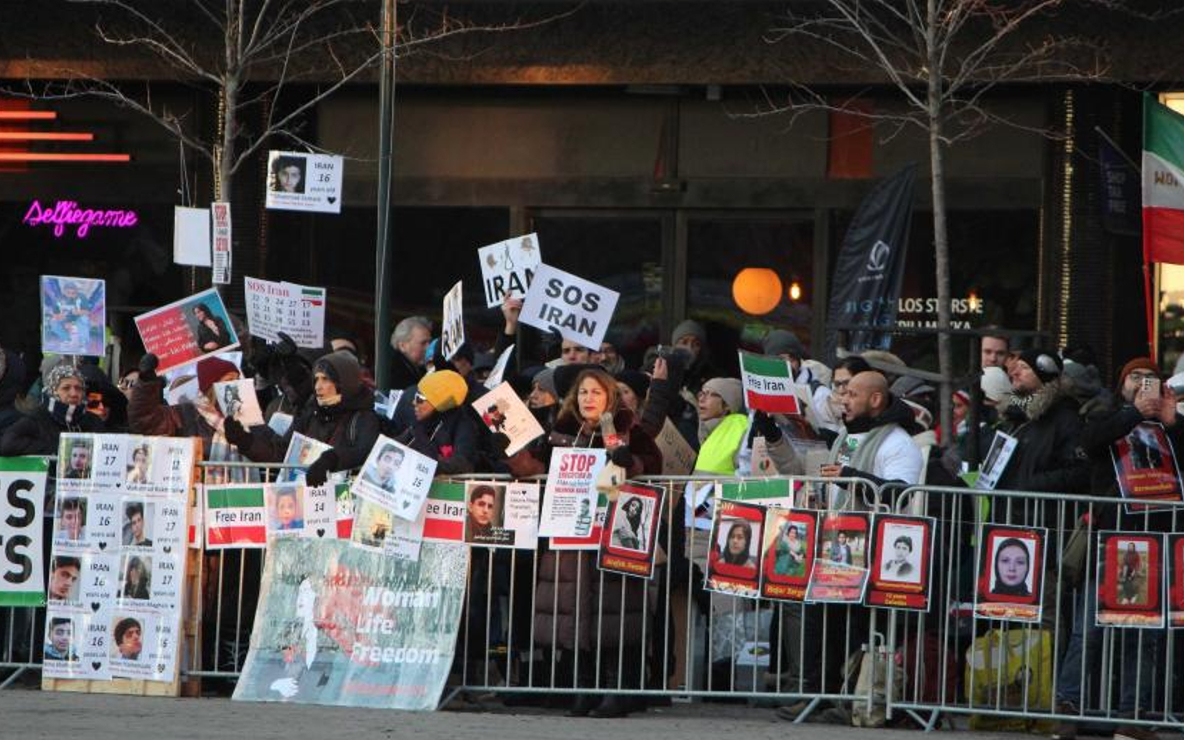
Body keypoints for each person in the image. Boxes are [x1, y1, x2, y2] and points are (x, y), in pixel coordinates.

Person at [1052, 357, 1178, 740]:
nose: (1142, 383)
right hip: (1111, 539)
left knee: (1144, 633)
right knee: (1089, 627)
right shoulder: (1104, 415)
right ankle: (1066, 708)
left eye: (1151, 379)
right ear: (1122, 385)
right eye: (1135, 378)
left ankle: (1133, 715)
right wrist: (1133, 415)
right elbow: (1089, 443)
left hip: (1155, 539)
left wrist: (1174, 423)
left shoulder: (1169, 427)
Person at [225, 351, 381, 487]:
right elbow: (282, 454)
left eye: (325, 379)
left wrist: (332, 460)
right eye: (316, 379)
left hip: (339, 508)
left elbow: (364, 452)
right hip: (301, 502)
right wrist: (246, 441)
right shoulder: (310, 414)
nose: (318, 386)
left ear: (344, 382)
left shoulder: (364, 418)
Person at [994, 349, 1088, 499]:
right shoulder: (1014, 416)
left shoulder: (1067, 419)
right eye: (1016, 366)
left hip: (1039, 516)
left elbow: (1077, 472)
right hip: (1005, 512)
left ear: (1045, 376)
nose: (1014, 373)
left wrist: (1026, 486)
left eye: (1024, 368)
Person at [820, 371, 924, 495]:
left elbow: (900, 494)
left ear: (875, 400)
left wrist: (850, 478)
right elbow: (842, 470)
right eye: (845, 394)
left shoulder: (900, 443)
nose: (844, 401)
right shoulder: (851, 437)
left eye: (853, 395)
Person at [1, 362, 104, 457]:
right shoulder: (37, 419)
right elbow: (6, 444)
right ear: (53, 391)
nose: (73, 394)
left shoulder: (93, 421)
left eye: (78, 388)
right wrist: (59, 448)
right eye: (66, 388)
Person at [390, 369, 478, 475]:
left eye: (420, 398)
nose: (414, 402)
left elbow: (462, 464)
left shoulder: (464, 426)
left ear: (438, 402)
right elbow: (392, 446)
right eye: (415, 395)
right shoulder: (419, 425)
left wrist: (424, 460)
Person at [388, 316, 432, 391]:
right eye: (423, 343)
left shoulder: (417, 366)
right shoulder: (392, 371)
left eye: (430, 342)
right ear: (402, 346)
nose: (429, 348)